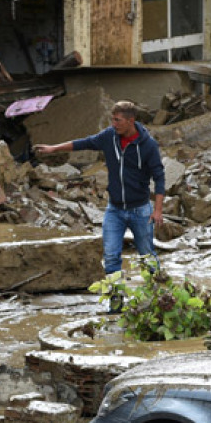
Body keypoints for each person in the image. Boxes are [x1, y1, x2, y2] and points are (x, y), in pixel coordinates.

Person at [34, 100, 166, 292]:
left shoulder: (148, 145)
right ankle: (116, 299)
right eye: (112, 119)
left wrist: (158, 210)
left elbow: (159, 177)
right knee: (111, 256)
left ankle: (157, 296)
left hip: (141, 210)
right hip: (114, 210)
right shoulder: (109, 137)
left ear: (131, 120)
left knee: (146, 255)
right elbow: (83, 143)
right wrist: (54, 148)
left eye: (118, 120)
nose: (114, 124)